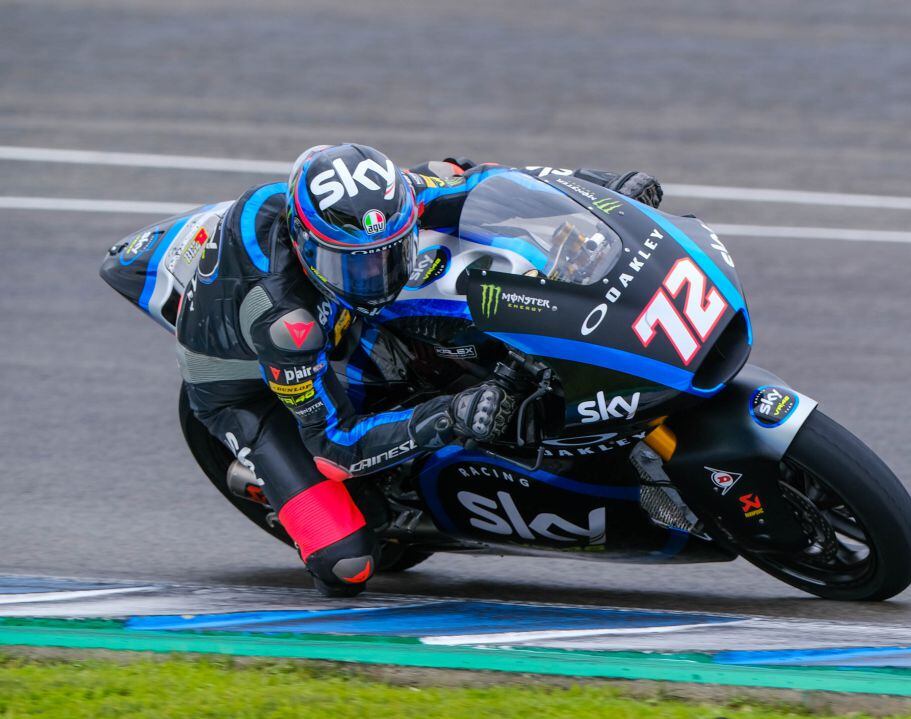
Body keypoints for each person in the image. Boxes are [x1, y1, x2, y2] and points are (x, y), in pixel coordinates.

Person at [126, 143, 662, 596]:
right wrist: (450, 414)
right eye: (352, 264)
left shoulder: (388, 202)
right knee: (347, 565)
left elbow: (481, 182)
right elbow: (334, 446)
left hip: (327, 313)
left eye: (388, 253)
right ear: (308, 247)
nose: (376, 274)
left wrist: (599, 192)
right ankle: (295, 482)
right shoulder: (283, 321)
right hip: (246, 388)